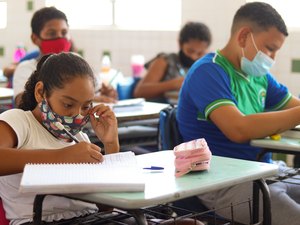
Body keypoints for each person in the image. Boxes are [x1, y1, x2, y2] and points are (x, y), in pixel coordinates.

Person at [177, 2, 300, 225]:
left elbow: (293, 107)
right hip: (223, 184)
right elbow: (238, 129)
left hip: (264, 171)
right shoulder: (208, 71)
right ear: (244, 36)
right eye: (270, 48)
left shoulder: (257, 76)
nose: (272, 58)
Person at [0, 52, 120, 224]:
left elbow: (106, 207)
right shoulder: (20, 121)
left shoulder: (80, 138)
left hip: (91, 218)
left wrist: (111, 144)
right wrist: (63, 157)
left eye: (86, 106)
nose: (77, 115)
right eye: (68, 104)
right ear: (41, 92)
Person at [12, 6, 117, 107]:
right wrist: (87, 99)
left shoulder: (79, 62)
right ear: (35, 39)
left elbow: (99, 93)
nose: (60, 38)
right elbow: (22, 102)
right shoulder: (26, 68)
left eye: (64, 32)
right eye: (52, 33)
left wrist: (107, 94)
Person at [133, 22, 211, 103]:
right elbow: (139, 92)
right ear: (180, 44)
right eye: (190, 51)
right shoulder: (165, 60)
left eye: (200, 53)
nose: (193, 56)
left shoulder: (205, 66)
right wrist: (175, 84)